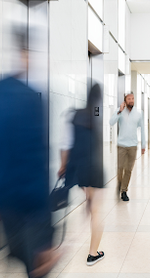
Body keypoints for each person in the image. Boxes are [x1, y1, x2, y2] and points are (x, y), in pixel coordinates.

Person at [0, 32, 59, 278]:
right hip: (30, 200)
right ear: (26, 56)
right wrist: (47, 230)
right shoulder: (31, 98)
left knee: (23, 258)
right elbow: (38, 160)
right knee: (37, 266)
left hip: (3, 198)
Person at [58, 83, 105, 266]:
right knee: (96, 211)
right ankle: (93, 253)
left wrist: (63, 166)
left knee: (90, 201)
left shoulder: (73, 114)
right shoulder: (97, 115)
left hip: (78, 168)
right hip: (94, 168)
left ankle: (88, 201)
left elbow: (65, 144)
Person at [109, 92, 146, 201]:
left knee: (128, 170)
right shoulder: (119, 111)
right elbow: (111, 122)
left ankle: (124, 191)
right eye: (129, 99)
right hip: (122, 145)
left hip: (133, 146)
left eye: (132, 98)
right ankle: (119, 183)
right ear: (125, 100)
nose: (131, 100)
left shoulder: (138, 114)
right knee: (120, 168)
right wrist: (119, 111)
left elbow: (142, 129)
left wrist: (143, 144)